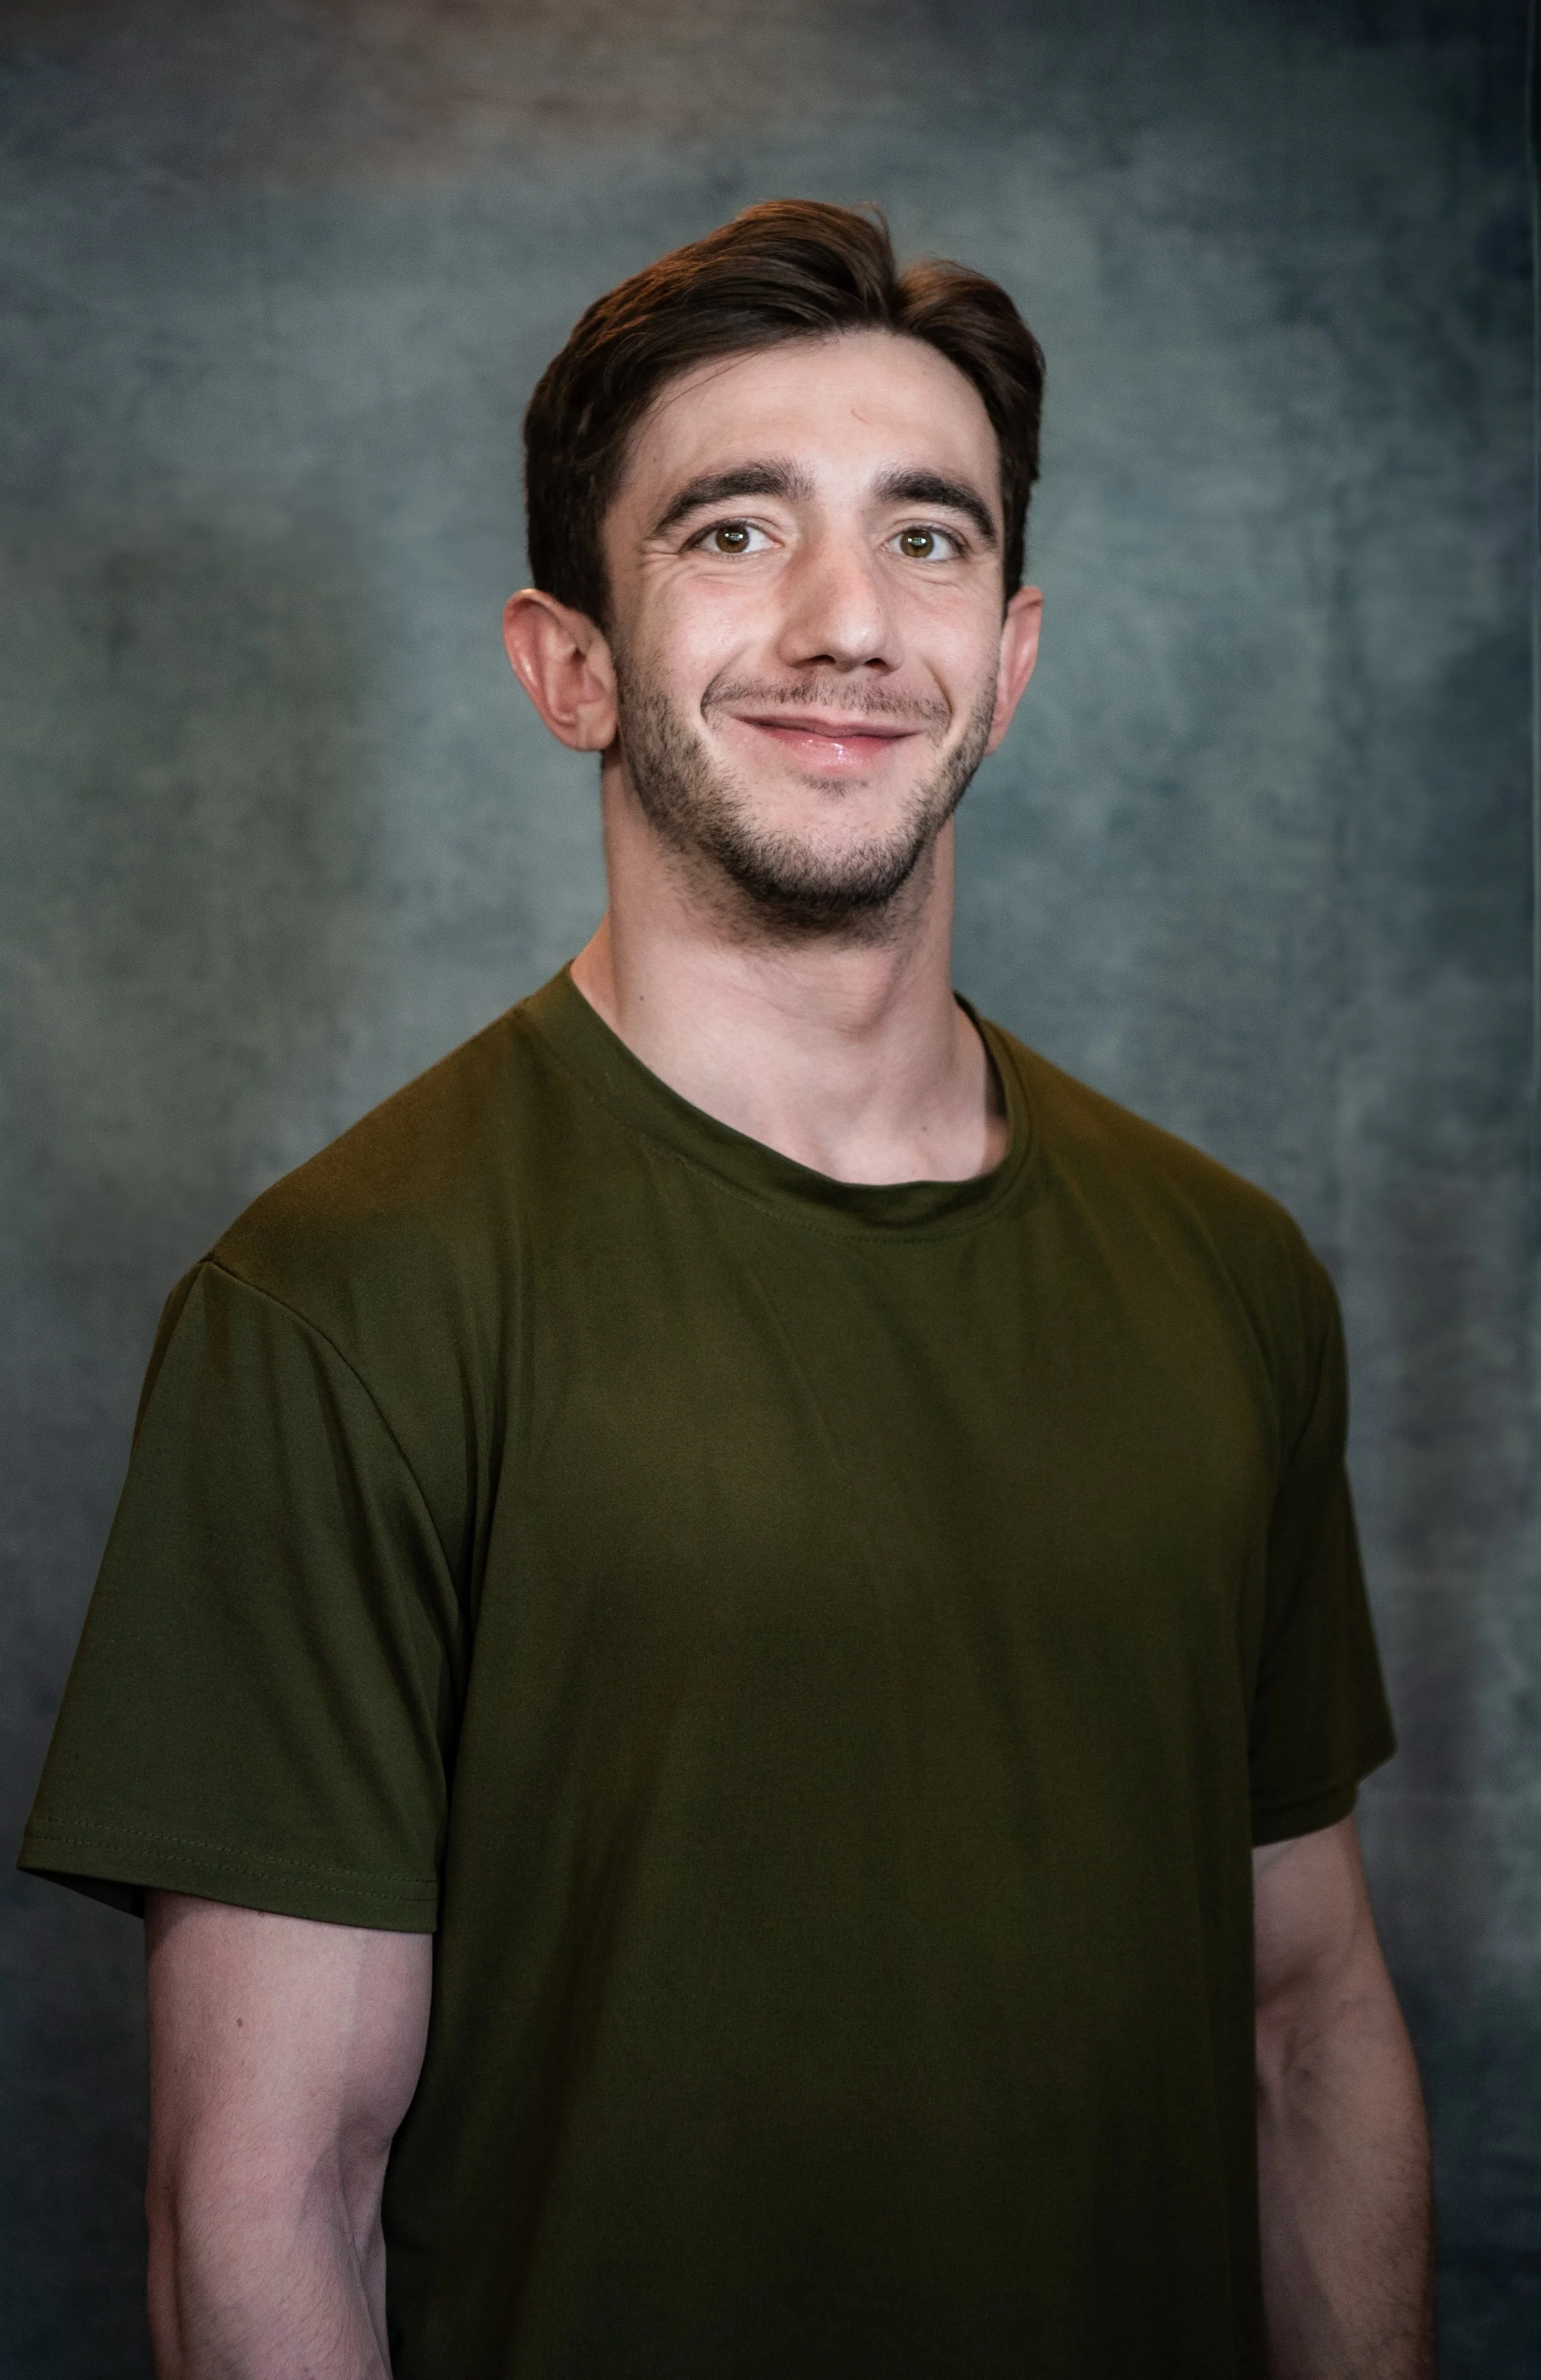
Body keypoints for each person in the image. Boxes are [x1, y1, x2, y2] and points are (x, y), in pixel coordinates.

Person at [20, 200, 1434, 2380]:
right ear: (566, 657)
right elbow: (264, 2197)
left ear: (1016, 655)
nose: (849, 622)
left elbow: (1302, 2025)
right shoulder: (338, 1308)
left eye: (928, 540)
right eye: (734, 533)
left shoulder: (1227, 1275)